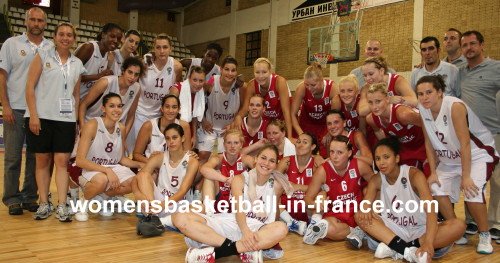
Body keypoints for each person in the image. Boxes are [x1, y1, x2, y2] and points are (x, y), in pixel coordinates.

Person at [416, 75, 499, 254]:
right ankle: (455, 229)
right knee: (436, 187)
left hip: (478, 155)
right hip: (449, 159)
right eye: (420, 94)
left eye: (429, 92)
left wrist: (466, 176)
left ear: (440, 92)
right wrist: (433, 172)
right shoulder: (423, 110)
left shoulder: (454, 106)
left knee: (472, 192)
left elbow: (465, 143)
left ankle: (485, 235)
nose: (424, 97)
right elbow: (428, 142)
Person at [172, 144, 291, 262]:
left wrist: (276, 197)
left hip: (256, 229)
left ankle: (216, 253)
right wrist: (246, 232)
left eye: (272, 161)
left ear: (275, 165)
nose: (266, 163)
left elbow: (272, 219)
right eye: (263, 158)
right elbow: (239, 210)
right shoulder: (240, 179)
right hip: (232, 222)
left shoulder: (277, 184)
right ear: (255, 159)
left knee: (281, 228)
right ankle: (238, 249)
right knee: (179, 217)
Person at [355, 138, 464, 262]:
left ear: (397, 158)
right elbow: (365, 206)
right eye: (378, 158)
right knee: (359, 216)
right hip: (395, 229)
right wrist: (365, 209)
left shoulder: (414, 175)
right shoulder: (376, 179)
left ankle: (396, 248)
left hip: (421, 230)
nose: (381, 162)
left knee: (458, 226)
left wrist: (428, 242)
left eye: (386, 157)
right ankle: (407, 251)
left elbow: (431, 211)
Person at [25, 22, 86, 222]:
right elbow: (29, 87)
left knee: (62, 163)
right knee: (42, 162)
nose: (65, 38)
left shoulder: (77, 64)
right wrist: (33, 115)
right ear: (55, 36)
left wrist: (76, 120)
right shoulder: (42, 56)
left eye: (69, 35)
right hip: (41, 118)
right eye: (61, 34)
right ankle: (44, 203)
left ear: (74, 39)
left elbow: (75, 94)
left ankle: (61, 205)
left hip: (65, 120)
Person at [0, 7, 53, 215]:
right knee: (13, 157)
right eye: (33, 19)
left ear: (45, 24)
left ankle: (30, 196)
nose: (36, 23)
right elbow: (2, 76)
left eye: (40, 20)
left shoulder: (51, 47)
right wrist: (5, 104)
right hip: (16, 109)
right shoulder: (11, 44)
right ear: (25, 21)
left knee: (35, 157)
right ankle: (11, 197)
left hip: (40, 112)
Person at [73, 93, 143, 221]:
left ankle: (103, 198)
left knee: (135, 182)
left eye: (119, 106)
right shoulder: (92, 125)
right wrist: (107, 170)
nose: (116, 110)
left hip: (112, 167)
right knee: (102, 180)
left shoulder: (121, 128)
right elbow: (80, 160)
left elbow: (120, 159)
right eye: (112, 106)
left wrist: (141, 165)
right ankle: (84, 202)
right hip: (89, 168)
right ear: (103, 109)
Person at [459, 30, 500, 242]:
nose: (469, 48)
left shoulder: (496, 67)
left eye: (472, 44)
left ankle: (496, 223)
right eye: (465, 45)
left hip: (494, 132)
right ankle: (472, 220)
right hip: (471, 136)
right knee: (472, 179)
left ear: (482, 45)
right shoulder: (460, 72)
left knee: (498, 180)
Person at [302, 135, 373, 245]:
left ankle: (360, 230)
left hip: (358, 213)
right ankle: (358, 232)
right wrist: (315, 204)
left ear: (349, 153)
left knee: (371, 193)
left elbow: (377, 184)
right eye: (332, 152)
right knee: (326, 227)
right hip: (336, 214)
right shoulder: (323, 170)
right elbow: (307, 198)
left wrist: (367, 202)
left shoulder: (359, 165)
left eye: (339, 153)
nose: (334, 156)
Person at [133, 123, 199, 236]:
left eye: (175, 137)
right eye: (168, 138)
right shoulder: (160, 157)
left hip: (178, 204)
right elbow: (137, 178)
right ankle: (153, 217)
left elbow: (182, 192)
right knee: (143, 175)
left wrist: (162, 205)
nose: (171, 142)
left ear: (183, 138)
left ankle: (157, 221)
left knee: (199, 209)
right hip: (157, 203)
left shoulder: (192, 161)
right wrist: (138, 195)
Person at [128, 34, 183, 153]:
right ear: (154, 48)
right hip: (140, 112)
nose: (161, 51)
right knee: (134, 149)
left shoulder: (176, 67)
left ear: (170, 49)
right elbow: (133, 83)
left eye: (165, 47)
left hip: (159, 115)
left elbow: (177, 87)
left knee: (155, 151)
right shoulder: (144, 63)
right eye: (158, 47)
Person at [365, 83, 428, 175]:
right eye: (370, 102)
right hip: (405, 149)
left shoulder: (402, 114)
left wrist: (431, 152)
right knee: (404, 180)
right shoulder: (371, 119)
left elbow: (429, 126)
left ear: (387, 99)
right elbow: (378, 132)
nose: (374, 107)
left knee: (431, 182)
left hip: (423, 145)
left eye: (378, 101)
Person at [78, 56, 145, 136]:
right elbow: (84, 104)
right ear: (123, 71)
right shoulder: (105, 82)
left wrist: (124, 137)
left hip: (112, 131)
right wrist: (82, 127)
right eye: (130, 72)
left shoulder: (137, 88)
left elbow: (131, 116)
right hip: (92, 125)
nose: (132, 77)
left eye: (136, 74)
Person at [196, 56, 244, 164]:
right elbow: (197, 100)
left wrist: (235, 121)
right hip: (210, 127)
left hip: (227, 130)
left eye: (233, 70)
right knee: (204, 155)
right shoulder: (212, 82)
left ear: (236, 72)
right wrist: (202, 120)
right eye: (227, 69)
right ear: (221, 69)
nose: (230, 73)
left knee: (224, 159)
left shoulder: (240, 86)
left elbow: (244, 106)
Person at [235, 57, 293, 138]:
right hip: (267, 122)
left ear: (270, 72)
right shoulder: (251, 85)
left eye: (264, 72)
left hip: (282, 121)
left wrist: (289, 136)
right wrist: (238, 117)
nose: (260, 76)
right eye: (257, 72)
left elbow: (286, 111)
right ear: (253, 72)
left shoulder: (279, 82)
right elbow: (245, 108)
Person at [200, 129, 253, 214]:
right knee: (208, 178)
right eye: (229, 143)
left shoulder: (245, 159)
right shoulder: (218, 158)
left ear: (241, 145)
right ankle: (209, 213)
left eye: (236, 143)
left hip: (238, 203)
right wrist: (226, 179)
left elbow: (260, 171)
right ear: (224, 144)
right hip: (219, 200)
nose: (232, 146)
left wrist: (239, 181)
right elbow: (204, 169)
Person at [276, 132, 318, 235]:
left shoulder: (316, 163)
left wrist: (298, 187)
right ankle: (292, 223)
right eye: (298, 142)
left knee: (322, 195)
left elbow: (323, 188)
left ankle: (314, 224)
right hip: (287, 207)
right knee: (273, 191)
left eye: (305, 142)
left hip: (307, 208)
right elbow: (273, 181)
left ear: (313, 146)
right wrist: (286, 185)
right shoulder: (287, 161)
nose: (300, 145)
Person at [132, 95, 191, 164]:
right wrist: (152, 163)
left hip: (174, 166)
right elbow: (136, 154)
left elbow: (187, 153)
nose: (170, 110)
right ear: (161, 108)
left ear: (179, 109)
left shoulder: (184, 126)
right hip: (152, 167)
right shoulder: (149, 126)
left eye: (174, 107)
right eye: (167, 107)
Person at [291, 63, 337, 150]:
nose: (309, 88)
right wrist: (301, 134)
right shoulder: (301, 88)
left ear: (321, 80)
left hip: (325, 126)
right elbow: (293, 114)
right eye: (307, 84)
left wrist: (329, 133)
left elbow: (336, 116)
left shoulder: (332, 88)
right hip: (306, 124)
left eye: (313, 85)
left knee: (326, 149)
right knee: (303, 149)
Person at [75, 23, 123, 98]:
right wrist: (98, 76)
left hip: (87, 100)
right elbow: (71, 76)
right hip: (73, 97)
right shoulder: (88, 48)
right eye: (112, 36)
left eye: (119, 38)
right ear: (103, 35)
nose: (116, 40)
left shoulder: (108, 55)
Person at [175, 65, 206, 146]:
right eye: (195, 80)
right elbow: (168, 114)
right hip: (174, 127)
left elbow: (195, 116)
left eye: (201, 81)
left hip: (189, 127)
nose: (198, 84)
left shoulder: (200, 93)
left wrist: (194, 136)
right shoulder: (177, 89)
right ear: (189, 78)